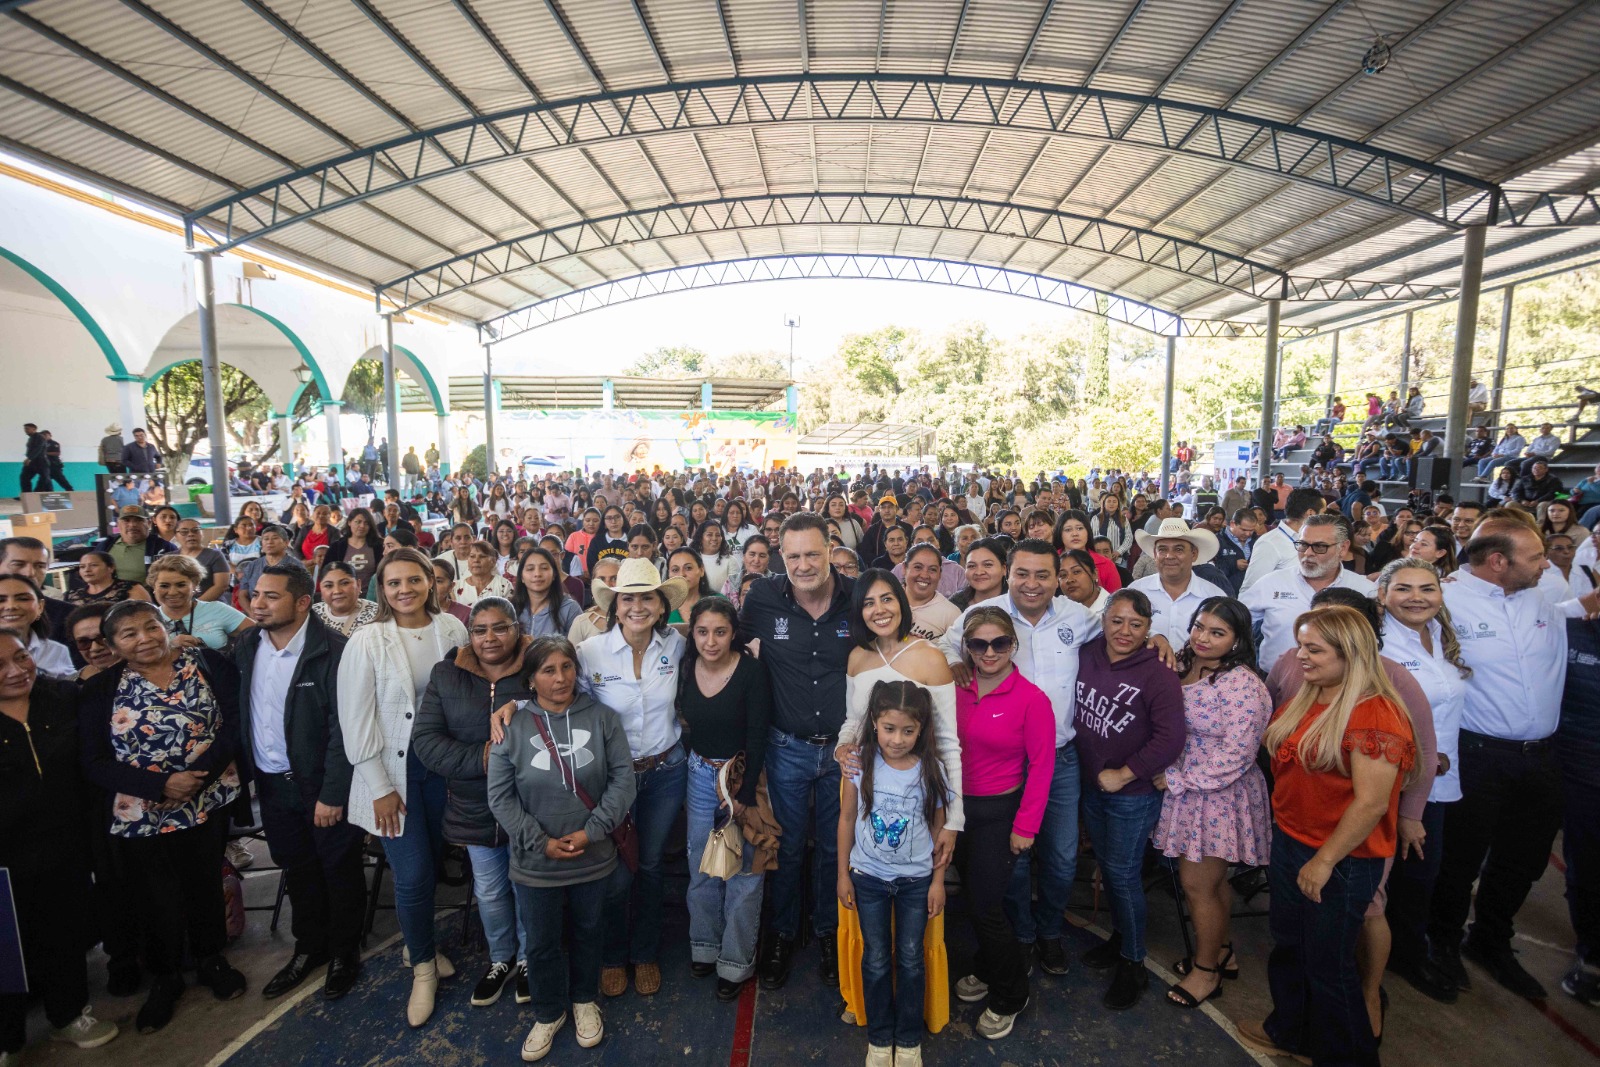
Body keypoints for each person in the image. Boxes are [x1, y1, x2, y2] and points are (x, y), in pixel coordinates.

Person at [1237, 605, 1416, 1067]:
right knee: (1292, 946)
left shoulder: (1376, 714)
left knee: (1330, 968)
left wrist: (1323, 861)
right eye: (1301, 645)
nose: (1301, 657)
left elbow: (1372, 804)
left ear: (1350, 653)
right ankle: (1291, 1032)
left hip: (1342, 858)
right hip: (1294, 841)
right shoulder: (1314, 694)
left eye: (1313, 649)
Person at [1428, 520, 1584, 1000]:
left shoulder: (1546, 590)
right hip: (1477, 754)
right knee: (1460, 859)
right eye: (1536, 556)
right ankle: (1442, 946)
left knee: (1524, 860)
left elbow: (1585, 604)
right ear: (1498, 561)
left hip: (1541, 758)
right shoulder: (1443, 600)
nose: (1548, 562)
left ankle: (1491, 940)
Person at [79, 600, 248, 1032]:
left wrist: (198, 777)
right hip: (141, 810)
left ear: (164, 626)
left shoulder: (205, 661)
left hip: (207, 797)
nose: (145, 639)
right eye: (129, 634)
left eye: (151, 627)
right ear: (113, 645)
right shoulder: (101, 689)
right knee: (156, 895)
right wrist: (160, 786)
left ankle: (211, 959)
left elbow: (233, 723)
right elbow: (94, 761)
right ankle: (166, 976)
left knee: (204, 882)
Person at [941, 539, 1101, 977]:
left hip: (1060, 758)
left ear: (1058, 578)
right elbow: (940, 650)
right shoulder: (982, 617)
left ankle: (1049, 933)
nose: (1032, 584)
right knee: (1010, 861)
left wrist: (1159, 636)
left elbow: (1123, 629)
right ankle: (1019, 935)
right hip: (1005, 763)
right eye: (1023, 574)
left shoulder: (1078, 616)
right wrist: (952, 662)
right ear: (1008, 574)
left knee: (1062, 856)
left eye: (1043, 575)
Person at [336, 547, 469, 1026]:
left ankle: (424, 948)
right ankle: (424, 970)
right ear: (382, 590)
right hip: (394, 773)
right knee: (411, 875)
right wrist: (378, 786)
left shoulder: (452, 629)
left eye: (415, 580)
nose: (405, 590)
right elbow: (356, 721)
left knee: (433, 865)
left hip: (444, 770)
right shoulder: (367, 641)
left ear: (431, 583)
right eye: (394, 583)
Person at [487, 636, 635, 1061]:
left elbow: (623, 779)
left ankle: (585, 1000)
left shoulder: (603, 717)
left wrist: (592, 832)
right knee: (542, 941)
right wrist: (540, 843)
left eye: (567, 667)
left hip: (593, 856)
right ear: (530, 679)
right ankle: (548, 1012)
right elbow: (500, 797)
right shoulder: (510, 725)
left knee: (591, 930)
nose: (560, 678)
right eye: (548, 670)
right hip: (535, 863)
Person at [235, 565, 364, 1001]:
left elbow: (343, 728)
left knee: (339, 870)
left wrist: (332, 793)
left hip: (321, 787)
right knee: (298, 868)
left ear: (304, 602)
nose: (258, 604)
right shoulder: (247, 646)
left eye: (271, 596)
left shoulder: (333, 650)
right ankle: (310, 947)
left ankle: (345, 951)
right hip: (272, 786)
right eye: (256, 595)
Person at [740, 511, 857, 990]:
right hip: (785, 747)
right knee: (785, 847)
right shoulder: (764, 598)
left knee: (835, 848)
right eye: (793, 556)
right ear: (779, 556)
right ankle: (784, 932)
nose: (804, 564)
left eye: (812, 554)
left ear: (831, 549)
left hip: (843, 754)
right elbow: (726, 648)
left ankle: (830, 932)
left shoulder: (858, 596)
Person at [0, 630, 120, 1056]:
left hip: (65, 844)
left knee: (64, 932)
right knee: (5, 947)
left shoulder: (64, 698)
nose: (16, 671)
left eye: (21, 657)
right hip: (5, 859)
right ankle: (8, 1038)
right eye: (1, 666)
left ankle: (68, 1015)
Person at [576, 558, 691, 997]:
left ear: (662, 607)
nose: (638, 606)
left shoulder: (677, 646)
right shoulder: (591, 653)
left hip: (666, 770)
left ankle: (644, 953)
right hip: (614, 779)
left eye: (647, 598)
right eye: (629, 599)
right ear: (615, 606)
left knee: (650, 864)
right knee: (614, 869)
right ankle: (611, 955)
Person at [413, 597, 535, 1010]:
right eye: (480, 630)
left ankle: (529, 958)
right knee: (489, 888)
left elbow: (560, 718)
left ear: (517, 628)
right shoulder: (446, 675)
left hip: (529, 806)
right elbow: (427, 742)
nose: (489, 638)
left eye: (500, 627)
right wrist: (486, 757)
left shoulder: (537, 668)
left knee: (529, 885)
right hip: (472, 804)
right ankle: (501, 958)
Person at [1155, 597, 1272, 1008]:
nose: (1203, 637)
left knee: (1198, 884)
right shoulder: (1186, 661)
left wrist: (1175, 778)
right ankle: (1222, 951)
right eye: (1198, 627)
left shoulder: (1242, 684)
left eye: (1217, 632)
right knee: (1212, 882)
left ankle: (1206, 973)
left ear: (1238, 640)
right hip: (1188, 788)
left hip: (1216, 793)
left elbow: (1240, 754)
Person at [1073, 590, 1186, 1010]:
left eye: (1136, 625)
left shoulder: (1157, 671)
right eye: (1117, 621)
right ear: (1103, 619)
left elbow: (1171, 738)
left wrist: (1125, 773)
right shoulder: (1087, 653)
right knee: (1109, 868)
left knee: (1122, 875)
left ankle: (1133, 963)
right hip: (1092, 786)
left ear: (1149, 629)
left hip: (1131, 794)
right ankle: (1121, 939)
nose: (1125, 631)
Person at [950, 606, 1055, 1040]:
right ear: (967, 648)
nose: (989, 652)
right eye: (978, 644)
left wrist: (1025, 827)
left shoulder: (1032, 699)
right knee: (975, 897)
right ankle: (987, 967)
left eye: (999, 643)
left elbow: (1043, 766)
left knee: (985, 905)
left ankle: (1011, 992)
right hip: (955, 813)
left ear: (1013, 644)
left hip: (999, 813)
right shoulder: (953, 688)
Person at [1371, 559, 1470, 1004]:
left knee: (1424, 876)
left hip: (1442, 781)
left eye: (1427, 589)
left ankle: (1405, 951)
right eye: (1404, 589)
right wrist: (1424, 759)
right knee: (1396, 879)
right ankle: (1391, 961)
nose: (1417, 597)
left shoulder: (1445, 636)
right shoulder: (1380, 645)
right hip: (1400, 782)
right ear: (1383, 594)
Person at [837, 680, 948, 1065]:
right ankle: (880, 1040)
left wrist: (937, 881)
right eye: (889, 729)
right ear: (874, 724)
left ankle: (909, 1040)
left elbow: (938, 829)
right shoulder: (860, 762)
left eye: (907, 731)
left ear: (921, 730)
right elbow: (847, 818)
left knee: (912, 958)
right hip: (867, 878)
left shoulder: (931, 769)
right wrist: (843, 873)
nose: (897, 739)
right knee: (877, 958)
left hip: (916, 882)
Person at [679, 597, 771, 1001]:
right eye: (702, 632)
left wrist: (745, 794)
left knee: (745, 872)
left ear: (734, 632)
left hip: (743, 775)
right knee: (701, 864)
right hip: (699, 773)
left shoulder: (751, 671)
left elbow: (758, 734)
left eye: (720, 632)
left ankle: (735, 960)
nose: (711, 641)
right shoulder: (686, 668)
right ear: (692, 633)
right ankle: (704, 944)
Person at [835, 569, 963, 858]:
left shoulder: (931, 657)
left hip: (920, 797)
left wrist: (954, 822)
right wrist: (842, 747)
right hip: (866, 791)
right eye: (868, 603)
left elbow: (948, 744)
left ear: (901, 603)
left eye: (886, 599)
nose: (879, 610)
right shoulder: (857, 657)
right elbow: (853, 720)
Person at [1242, 514, 1376, 668]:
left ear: (1343, 548)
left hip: (1343, 687)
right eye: (1303, 545)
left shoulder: (1365, 590)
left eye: (1320, 547)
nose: (1308, 553)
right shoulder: (1271, 583)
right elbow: (1235, 623)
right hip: (1275, 685)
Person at [1129, 519, 1227, 649]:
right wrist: (1149, 635)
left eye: (1179, 549)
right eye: (1162, 549)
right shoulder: (1136, 591)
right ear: (1155, 554)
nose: (1170, 556)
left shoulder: (1214, 597)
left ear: (1194, 554)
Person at [149, 554, 251, 651]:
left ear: (195, 585)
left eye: (181, 585)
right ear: (154, 587)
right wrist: (169, 647)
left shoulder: (216, 610)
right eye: (164, 586)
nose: (172, 592)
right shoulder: (148, 619)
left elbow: (260, 634)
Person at [1240, 487, 1324, 592]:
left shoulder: (1312, 541)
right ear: (1311, 513)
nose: (1324, 519)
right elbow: (1250, 590)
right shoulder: (1269, 543)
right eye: (1322, 513)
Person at [0, 573, 74, 679]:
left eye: (23, 599)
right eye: (1, 600)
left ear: (40, 606)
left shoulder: (56, 651)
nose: (11, 606)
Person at [91, 506, 177, 584]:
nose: (132, 525)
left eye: (138, 520)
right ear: (118, 524)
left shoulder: (165, 548)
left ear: (149, 523)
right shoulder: (105, 546)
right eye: (126, 520)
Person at [512, 545, 581, 638]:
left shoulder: (570, 608)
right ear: (521, 577)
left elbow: (575, 648)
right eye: (530, 569)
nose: (537, 574)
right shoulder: (511, 608)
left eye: (544, 568)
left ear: (554, 575)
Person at [313, 561, 380, 637]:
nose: (337, 591)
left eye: (344, 583)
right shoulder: (312, 615)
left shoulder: (377, 614)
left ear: (358, 585)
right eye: (328, 586)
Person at [172, 518, 231, 602]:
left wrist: (195, 605)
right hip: (177, 606)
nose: (190, 534)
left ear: (202, 534)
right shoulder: (169, 558)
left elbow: (221, 585)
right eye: (184, 532)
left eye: (195, 530)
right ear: (176, 536)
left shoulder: (215, 555)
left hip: (211, 605)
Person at [67, 550, 151, 606]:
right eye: (82, 567)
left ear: (111, 567)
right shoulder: (72, 595)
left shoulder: (130, 589)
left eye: (93, 565)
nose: (87, 570)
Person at [454, 540, 516, 608]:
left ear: (493, 561)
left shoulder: (504, 585)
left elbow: (509, 614)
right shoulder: (456, 587)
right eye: (472, 556)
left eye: (482, 556)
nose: (476, 560)